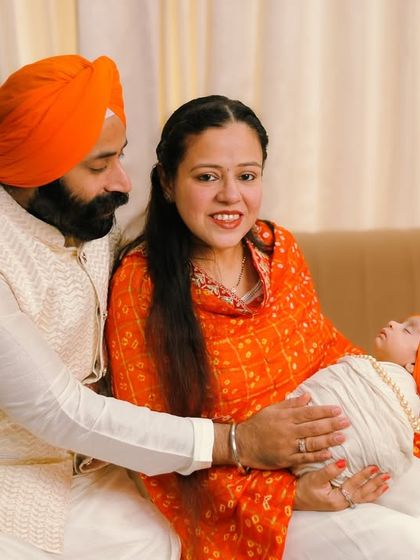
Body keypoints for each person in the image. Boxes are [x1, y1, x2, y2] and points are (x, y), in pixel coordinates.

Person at [0, 56, 353, 559]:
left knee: (159, 540)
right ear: (35, 168)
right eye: (99, 165)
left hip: (102, 471)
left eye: (119, 157)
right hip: (15, 478)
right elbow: (61, 412)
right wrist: (237, 443)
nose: (123, 183)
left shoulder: (95, 224)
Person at [106, 95, 414, 560]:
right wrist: (291, 496)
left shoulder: (279, 249)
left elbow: (327, 352)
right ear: (168, 183)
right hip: (248, 507)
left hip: (345, 454)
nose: (231, 196)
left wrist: (395, 392)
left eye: (247, 176)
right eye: (207, 176)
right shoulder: (140, 285)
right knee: (402, 543)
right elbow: (148, 438)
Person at [290, 315, 420, 516]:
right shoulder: (361, 369)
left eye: (407, 330)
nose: (393, 322)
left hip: (313, 465)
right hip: (298, 454)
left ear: (413, 364)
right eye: (400, 323)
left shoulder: (406, 402)